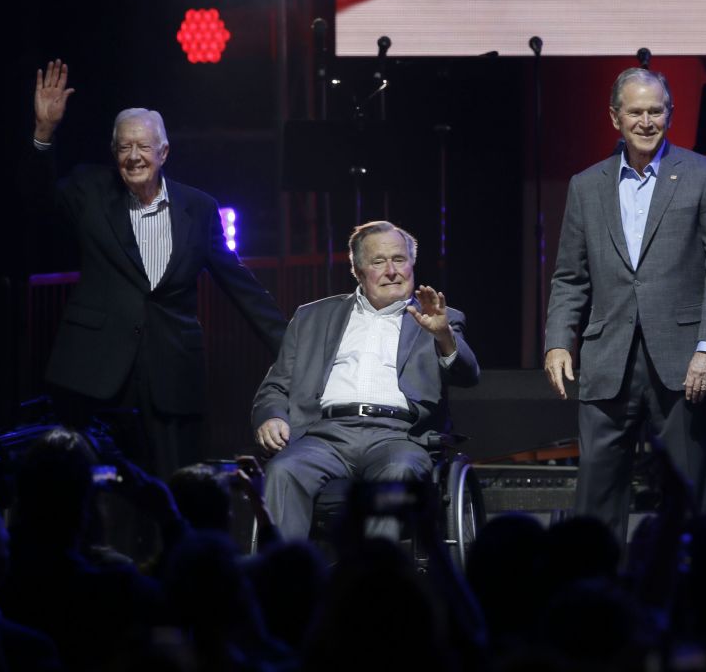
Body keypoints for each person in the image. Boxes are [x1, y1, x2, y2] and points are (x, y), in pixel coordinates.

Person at [28, 60, 287, 478]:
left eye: (144, 147)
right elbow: (35, 200)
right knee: (93, 495)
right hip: (94, 372)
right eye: (124, 147)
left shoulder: (197, 207)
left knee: (175, 489)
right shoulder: (89, 191)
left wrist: (294, 347)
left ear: (164, 152)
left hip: (170, 373)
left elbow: (240, 285)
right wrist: (44, 133)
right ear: (113, 153)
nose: (134, 157)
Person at [544, 68, 706, 542]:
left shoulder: (702, 174)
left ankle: (683, 599)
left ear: (669, 114)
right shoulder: (586, 185)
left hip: (684, 360)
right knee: (596, 498)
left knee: (686, 495)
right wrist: (557, 342)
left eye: (656, 110)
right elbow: (570, 277)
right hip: (607, 357)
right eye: (635, 111)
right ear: (615, 117)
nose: (647, 121)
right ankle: (597, 596)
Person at [253, 221, 479, 540]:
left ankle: (373, 580)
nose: (392, 271)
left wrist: (442, 334)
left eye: (399, 259)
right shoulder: (312, 317)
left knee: (397, 472)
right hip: (325, 435)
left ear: (412, 264)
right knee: (283, 470)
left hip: (399, 437)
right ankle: (284, 581)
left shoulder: (439, 317)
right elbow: (276, 386)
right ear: (358, 271)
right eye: (378, 262)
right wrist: (272, 416)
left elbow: (469, 375)